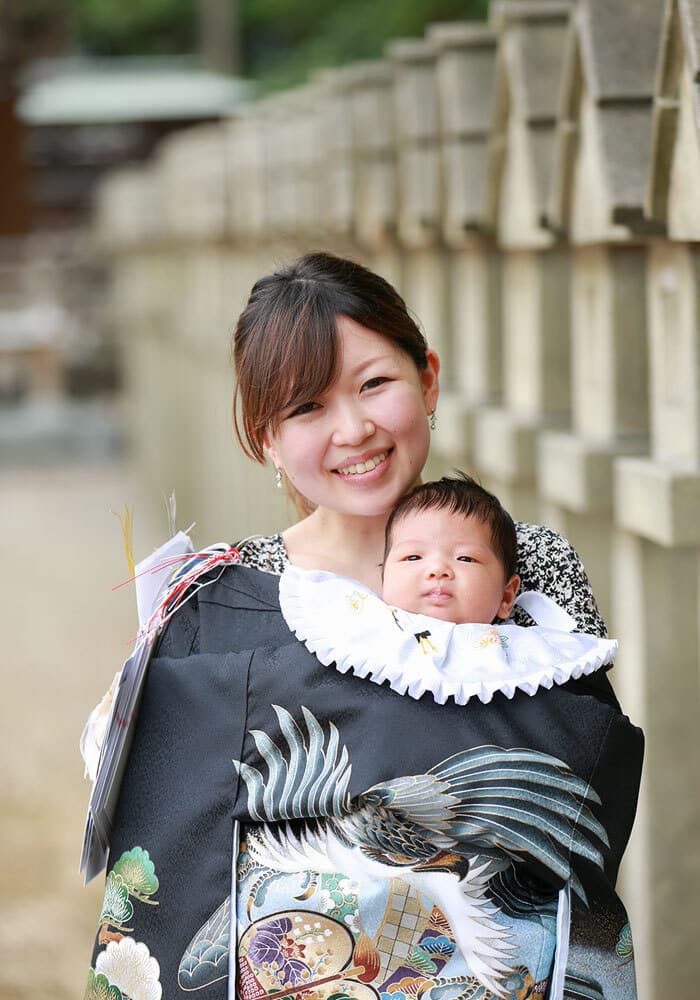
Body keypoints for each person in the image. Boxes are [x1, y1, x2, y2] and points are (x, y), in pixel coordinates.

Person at [83, 252, 642, 1000]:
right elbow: (171, 841)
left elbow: (585, 805)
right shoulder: (218, 598)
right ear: (265, 437)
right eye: (307, 407)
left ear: (428, 379)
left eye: (374, 384)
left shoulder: (532, 569)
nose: (353, 428)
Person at [381, 472, 521, 625]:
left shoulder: (522, 639)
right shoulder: (367, 628)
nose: (437, 569)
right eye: (413, 557)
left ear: (506, 596)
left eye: (465, 558)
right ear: (383, 579)